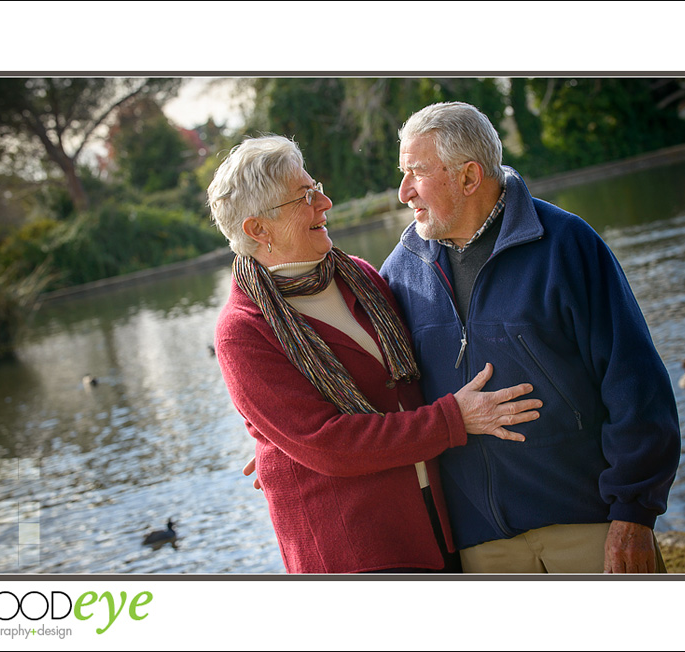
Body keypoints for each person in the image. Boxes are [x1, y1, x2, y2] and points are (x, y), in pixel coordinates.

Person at [208, 135, 543, 574]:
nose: (325, 202)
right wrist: (454, 419)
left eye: (317, 187)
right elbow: (329, 446)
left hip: (439, 524)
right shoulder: (243, 331)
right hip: (354, 550)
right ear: (257, 229)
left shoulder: (361, 277)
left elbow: (425, 369)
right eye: (304, 197)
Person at [379, 102, 682, 573]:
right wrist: (280, 434)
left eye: (416, 173)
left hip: (589, 524)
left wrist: (634, 513)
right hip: (481, 547)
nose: (403, 193)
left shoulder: (567, 244)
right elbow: (365, 370)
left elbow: (636, 382)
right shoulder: (400, 272)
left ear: (469, 176)